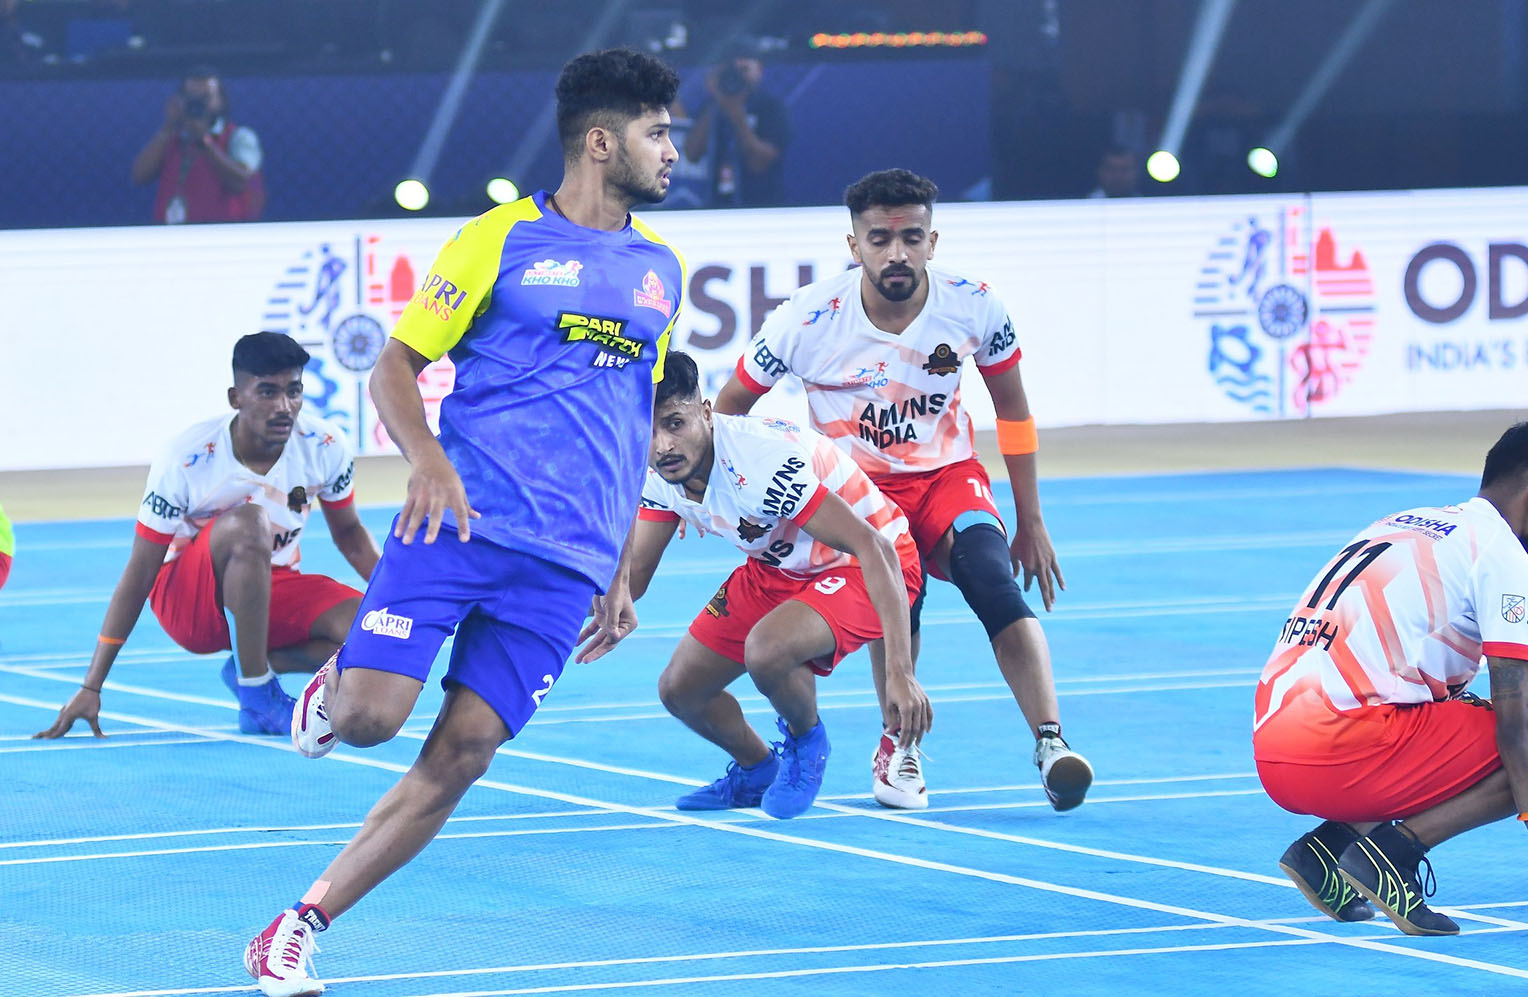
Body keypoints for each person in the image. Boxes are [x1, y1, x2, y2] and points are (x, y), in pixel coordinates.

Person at [241, 47, 683, 997]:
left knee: (465, 751)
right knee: (368, 721)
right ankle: (341, 678)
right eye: (657, 132)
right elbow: (392, 366)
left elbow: (635, 414)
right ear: (601, 141)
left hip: (567, 565)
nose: (672, 150)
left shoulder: (661, 270)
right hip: (461, 527)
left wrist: (618, 564)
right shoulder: (496, 240)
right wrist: (430, 463)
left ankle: (298, 923)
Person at [714, 168, 1092, 813]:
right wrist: (739, 502)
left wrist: (1031, 519)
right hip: (856, 495)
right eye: (880, 239)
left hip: (948, 478)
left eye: (912, 237)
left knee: (991, 579)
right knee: (899, 608)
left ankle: (1051, 744)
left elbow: (1014, 413)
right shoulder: (805, 319)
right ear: (854, 244)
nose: (897, 253)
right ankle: (898, 745)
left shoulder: (975, 305)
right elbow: (726, 416)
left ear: (932, 241)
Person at [577, 351, 930, 818]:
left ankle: (807, 744)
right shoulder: (657, 470)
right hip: (776, 567)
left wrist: (899, 672)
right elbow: (633, 578)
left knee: (767, 650)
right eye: (648, 430)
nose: (662, 445)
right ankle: (755, 769)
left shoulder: (759, 464)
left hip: (865, 564)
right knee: (680, 690)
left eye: (675, 423)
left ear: (706, 413)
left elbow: (874, 548)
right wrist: (541, 602)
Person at [1255, 423, 1528, 937]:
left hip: (1276, 749)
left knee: (1449, 708)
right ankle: (1394, 853)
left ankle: (1327, 850)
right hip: (1344, 749)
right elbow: (1517, 712)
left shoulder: (1404, 521)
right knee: (1519, 735)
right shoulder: (1502, 554)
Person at [33, 332, 377, 741]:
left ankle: (256, 664)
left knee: (374, 630)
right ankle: (258, 696)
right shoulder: (187, 457)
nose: (284, 406)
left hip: (269, 587)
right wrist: (92, 684)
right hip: (189, 602)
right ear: (236, 397)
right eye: (267, 392)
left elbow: (351, 534)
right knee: (249, 523)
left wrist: (406, 603)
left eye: (293, 391)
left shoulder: (325, 445)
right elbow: (142, 569)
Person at [131, 66, 265, 224]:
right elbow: (139, 176)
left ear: (221, 101)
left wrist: (204, 141)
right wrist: (168, 127)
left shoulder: (238, 137)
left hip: (222, 234)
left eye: (206, 97)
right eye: (191, 96)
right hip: (173, 235)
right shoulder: (171, 138)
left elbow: (241, 181)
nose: (198, 102)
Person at [681, 37, 790, 208]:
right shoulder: (712, 107)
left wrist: (736, 114)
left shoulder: (770, 107)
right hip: (716, 204)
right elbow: (692, 154)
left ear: (759, 69)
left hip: (763, 205)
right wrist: (717, 98)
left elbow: (759, 164)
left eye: (744, 69)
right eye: (733, 71)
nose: (738, 77)